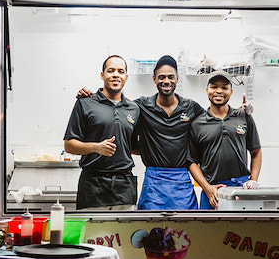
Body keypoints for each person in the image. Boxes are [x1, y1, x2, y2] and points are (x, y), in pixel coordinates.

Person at [76, 56, 205, 209]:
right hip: (153, 182)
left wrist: (239, 114)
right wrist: (91, 98)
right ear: (154, 79)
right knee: (150, 230)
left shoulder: (191, 107)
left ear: (177, 78)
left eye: (170, 77)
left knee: (186, 230)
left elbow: (213, 122)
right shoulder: (140, 106)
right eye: (161, 77)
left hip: (182, 181)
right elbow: (116, 115)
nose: (166, 81)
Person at [64, 54, 141, 210]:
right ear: (102, 75)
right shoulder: (85, 102)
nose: (115, 75)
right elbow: (69, 145)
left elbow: (132, 146)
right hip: (93, 184)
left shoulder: (134, 109)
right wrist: (96, 148)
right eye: (110, 70)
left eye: (120, 71)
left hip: (124, 185)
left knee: (124, 233)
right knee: (92, 234)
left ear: (126, 77)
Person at [187, 70, 262, 209]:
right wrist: (207, 187)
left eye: (224, 87)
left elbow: (256, 151)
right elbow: (191, 162)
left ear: (231, 92)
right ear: (207, 90)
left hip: (241, 189)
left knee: (243, 229)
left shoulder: (244, 116)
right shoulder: (197, 123)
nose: (219, 91)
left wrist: (253, 180)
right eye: (214, 87)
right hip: (212, 192)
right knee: (208, 230)